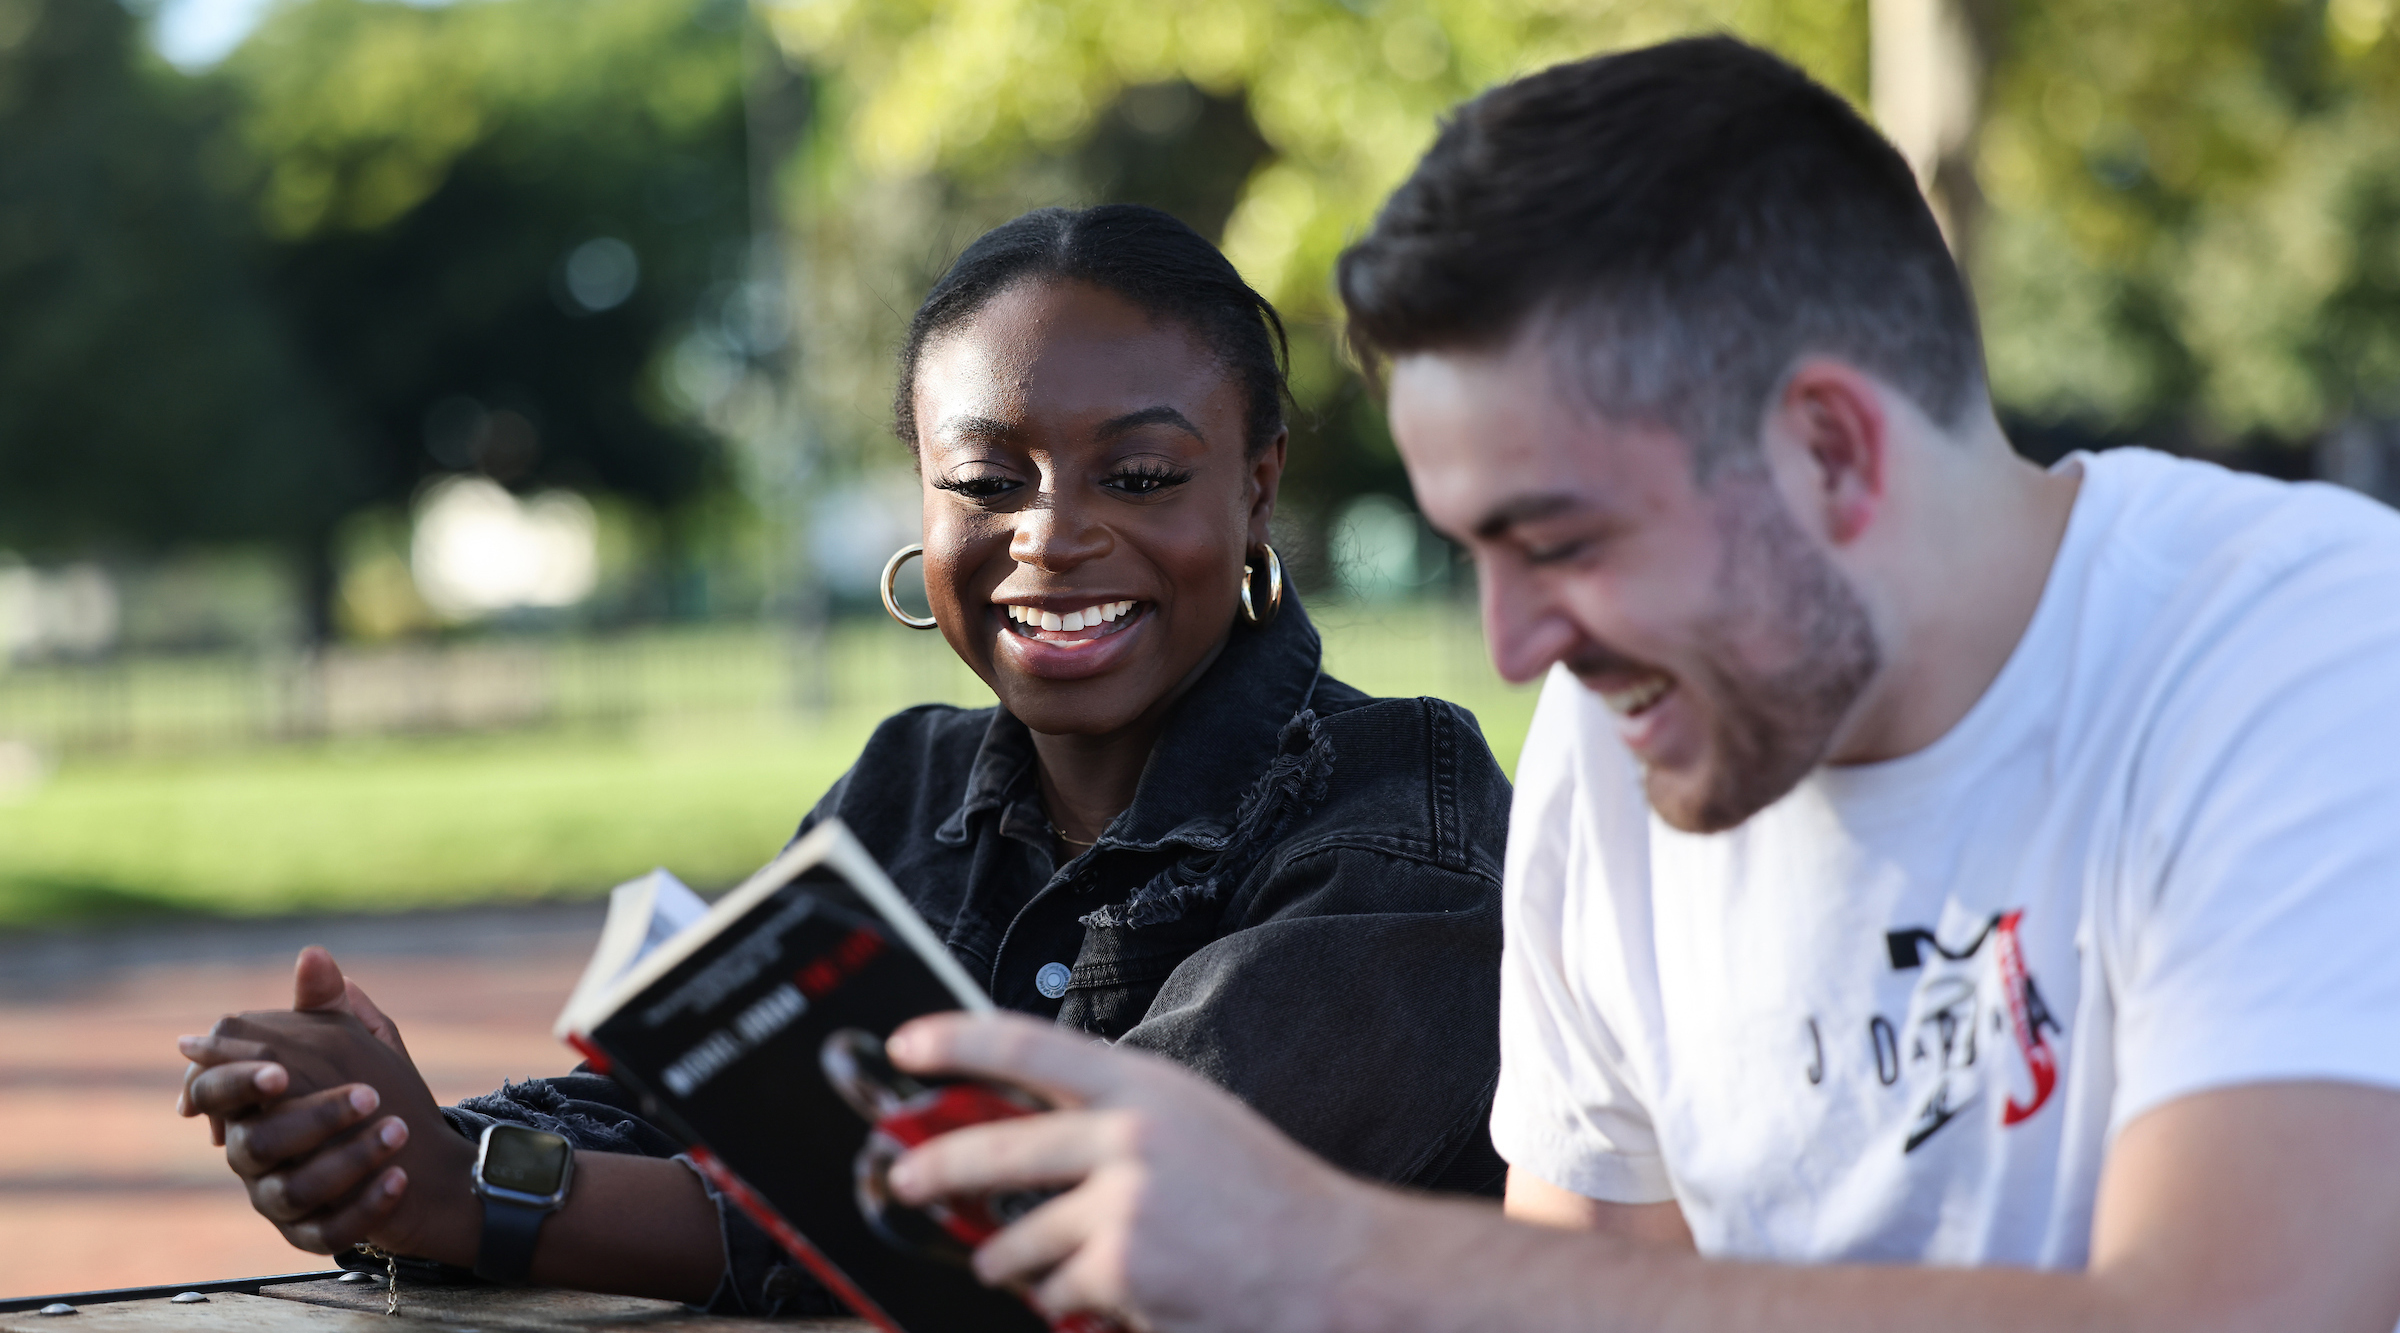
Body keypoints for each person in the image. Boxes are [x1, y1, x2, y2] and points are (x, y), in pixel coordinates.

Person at [856, 37, 2400, 1333]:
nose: (1519, 647)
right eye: (1475, 551)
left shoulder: (2301, 644)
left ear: (1832, 448)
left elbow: (2236, 1303)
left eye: (1563, 541)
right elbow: (1598, 1285)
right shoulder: (1624, 739)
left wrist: (1329, 1245)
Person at [175, 204, 1514, 1314]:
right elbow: (665, 1115)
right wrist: (382, 1142)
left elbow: (1072, 1246)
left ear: (1258, 488)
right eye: (987, 481)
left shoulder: (1403, 811)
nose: (1051, 536)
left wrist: (491, 1202)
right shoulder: (904, 791)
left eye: (1144, 476)